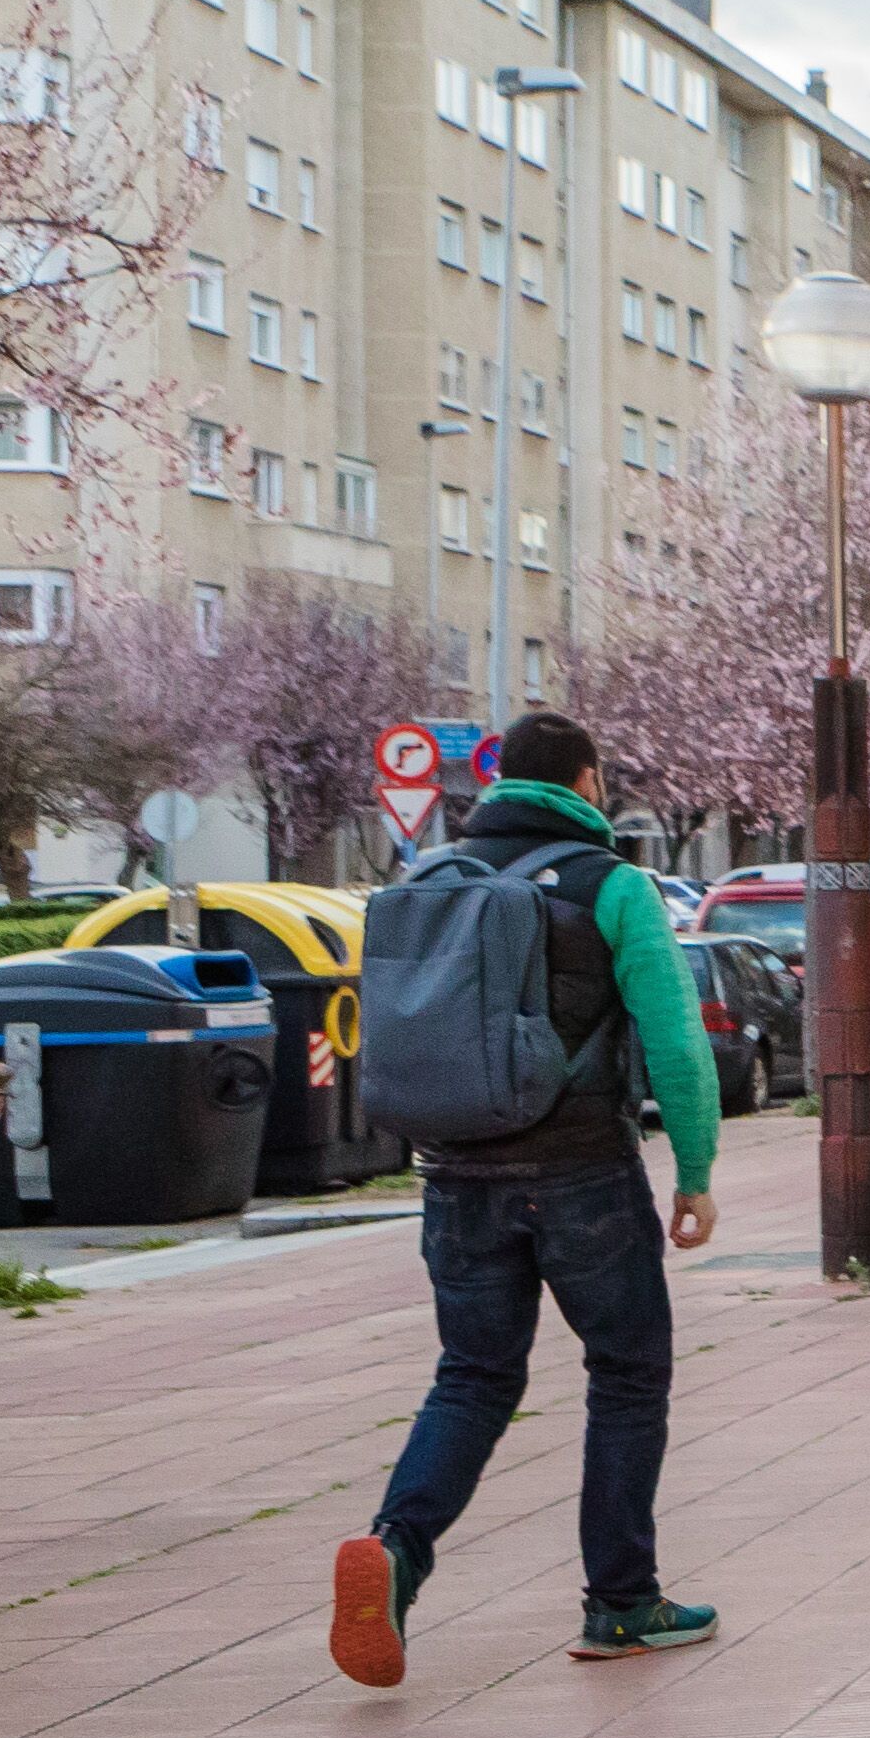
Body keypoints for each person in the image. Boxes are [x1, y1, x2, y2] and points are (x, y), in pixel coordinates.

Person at [331, 713, 723, 1687]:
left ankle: (397, 1550)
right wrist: (697, 1171)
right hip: (582, 1171)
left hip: (456, 1174)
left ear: (499, 778)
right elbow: (675, 1041)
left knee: (472, 1374)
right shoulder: (612, 885)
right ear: (586, 781)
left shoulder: (428, 883)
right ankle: (622, 1601)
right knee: (628, 1372)